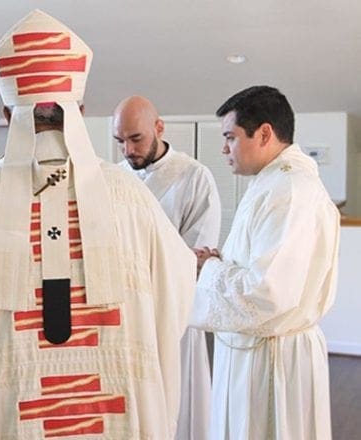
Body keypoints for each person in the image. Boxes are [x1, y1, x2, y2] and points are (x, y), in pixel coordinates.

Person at [0, 9, 195, 439]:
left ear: (6, 110)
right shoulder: (130, 195)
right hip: (116, 408)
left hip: (6, 412)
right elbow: (177, 291)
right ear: (80, 108)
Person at [191, 85, 339, 439]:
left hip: (274, 359)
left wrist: (209, 268)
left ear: (265, 133)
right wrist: (222, 260)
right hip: (257, 349)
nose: (224, 148)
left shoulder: (289, 191)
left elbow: (267, 291)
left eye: (231, 137)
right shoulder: (272, 182)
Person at [113, 95, 221, 440]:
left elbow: (195, 257)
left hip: (172, 311)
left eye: (136, 138)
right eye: (120, 141)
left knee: (178, 404)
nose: (128, 150)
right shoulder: (114, 179)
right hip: (124, 312)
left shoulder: (194, 178)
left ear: (159, 128)